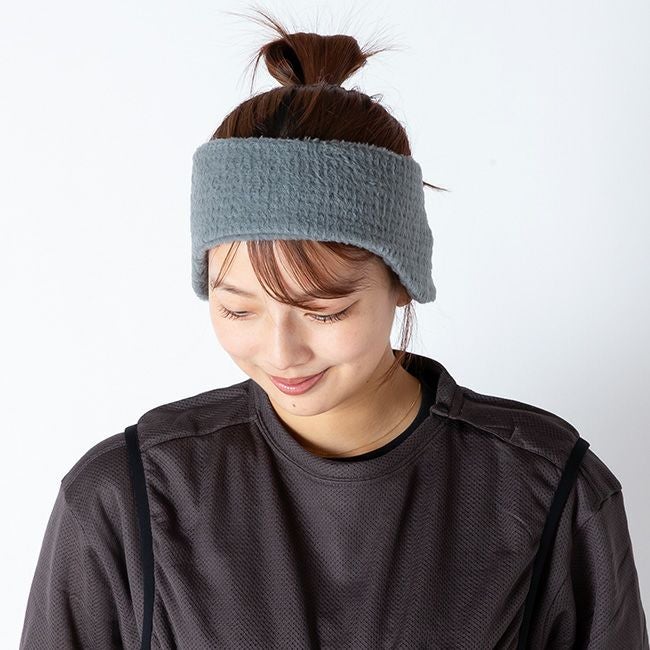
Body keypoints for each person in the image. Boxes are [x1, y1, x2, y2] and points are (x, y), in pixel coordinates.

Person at [19, 9, 648, 650]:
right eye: (238, 310)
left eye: (323, 310)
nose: (281, 352)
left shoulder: (550, 489)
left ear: (402, 279)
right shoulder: (124, 499)